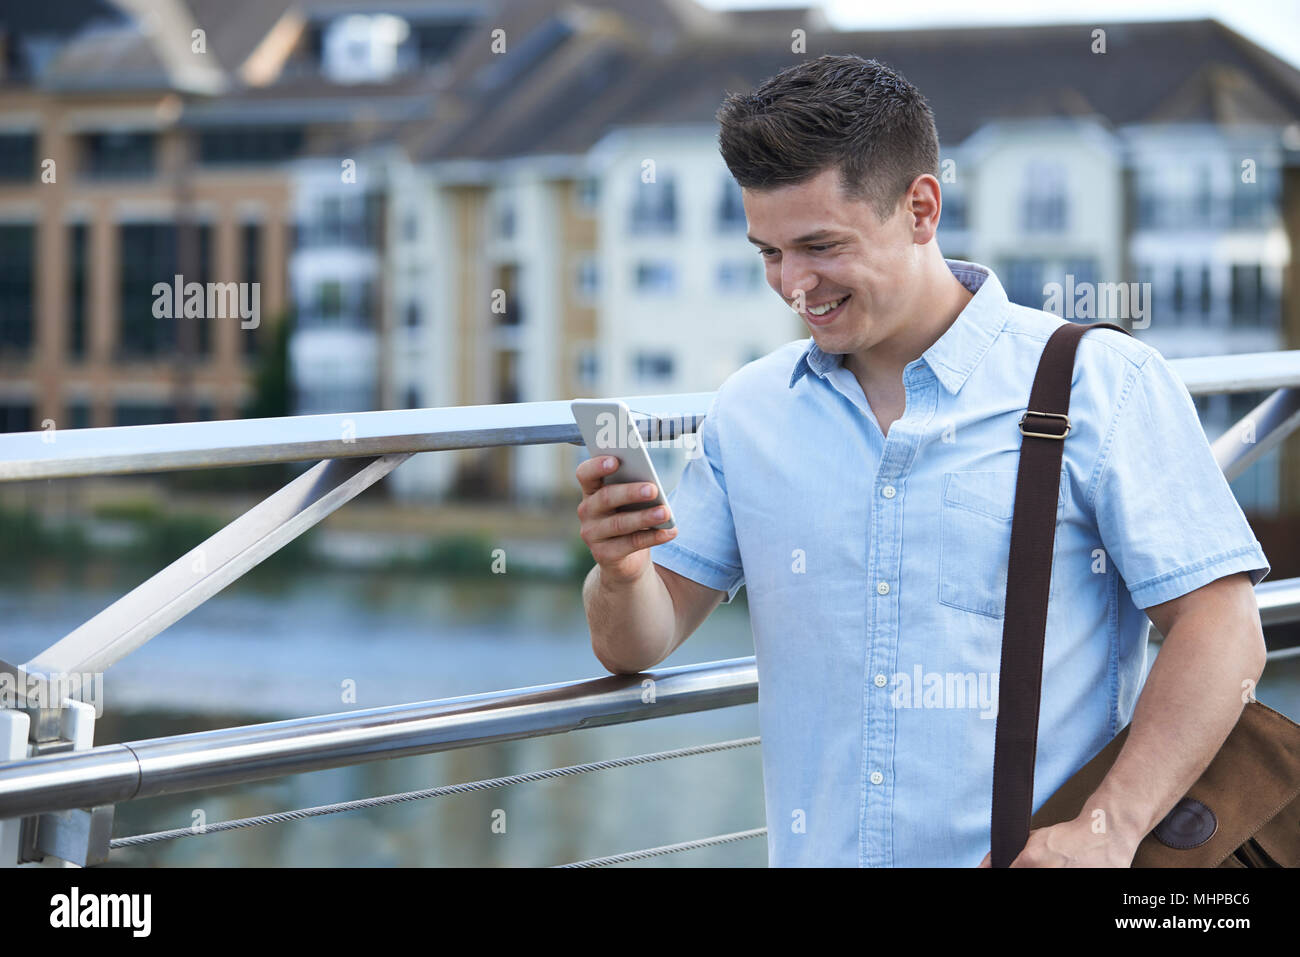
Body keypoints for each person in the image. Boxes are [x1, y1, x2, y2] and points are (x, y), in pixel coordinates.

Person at [575, 54, 1270, 867]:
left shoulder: (1101, 383)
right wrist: (620, 575)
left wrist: (1108, 828)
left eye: (821, 246)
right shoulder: (749, 411)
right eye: (769, 253)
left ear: (921, 208)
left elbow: (1223, 628)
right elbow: (638, 645)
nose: (795, 286)